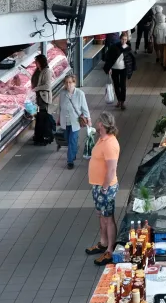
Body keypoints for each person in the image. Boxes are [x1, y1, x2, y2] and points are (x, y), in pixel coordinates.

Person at [85, 113, 120, 266]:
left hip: (106, 188)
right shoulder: (101, 138)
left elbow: (112, 170)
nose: (96, 122)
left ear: (102, 124)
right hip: (98, 186)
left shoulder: (110, 144)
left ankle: (110, 250)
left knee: (108, 218)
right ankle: (103, 242)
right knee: (101, 216)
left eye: (98, 120)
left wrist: (105, 188)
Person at [57, 74, 90, 170]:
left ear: (74, 83)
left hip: (75, 121)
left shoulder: (80, 94)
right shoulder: (62, 93)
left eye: (70, 82)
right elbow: (60, 106)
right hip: (65, 121)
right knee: (67, 138)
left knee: (72, 140)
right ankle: (73, 151)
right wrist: (59, 118)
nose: (68, 84)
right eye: (66, 82)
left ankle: (70, 161)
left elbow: (85, 108)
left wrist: (89, 119)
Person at [102, 31, 136, 111]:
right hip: (115, 69)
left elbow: (130, 60)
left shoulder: (128, 48)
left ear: (127, 40)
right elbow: (109, 58)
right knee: (116, 85)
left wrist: (130, 69)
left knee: (123, 85)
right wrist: (109, 68)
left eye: (125, 39)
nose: (124, 41)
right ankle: (119, 100)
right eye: (122, 39)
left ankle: (122, 101)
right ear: (120, 39)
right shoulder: (114, 47)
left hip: (123, 69)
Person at [31, 55, 55, 146]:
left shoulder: (47, 71)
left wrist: (36, 89)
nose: (35, 63)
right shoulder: (38, 70)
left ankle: (43, 137)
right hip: (39, 97)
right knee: (40, 117)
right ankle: (38, 136)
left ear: (40, 62)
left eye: (36, 61)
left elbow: (47, 86)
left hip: (44, 98)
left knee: (42, 117)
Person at [151, 7, 166, 71]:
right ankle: (164, 64)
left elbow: (155, 34)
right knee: (165, 53)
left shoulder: (156, 26)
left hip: (159, 41)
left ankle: (161, 61)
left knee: (161, 51)